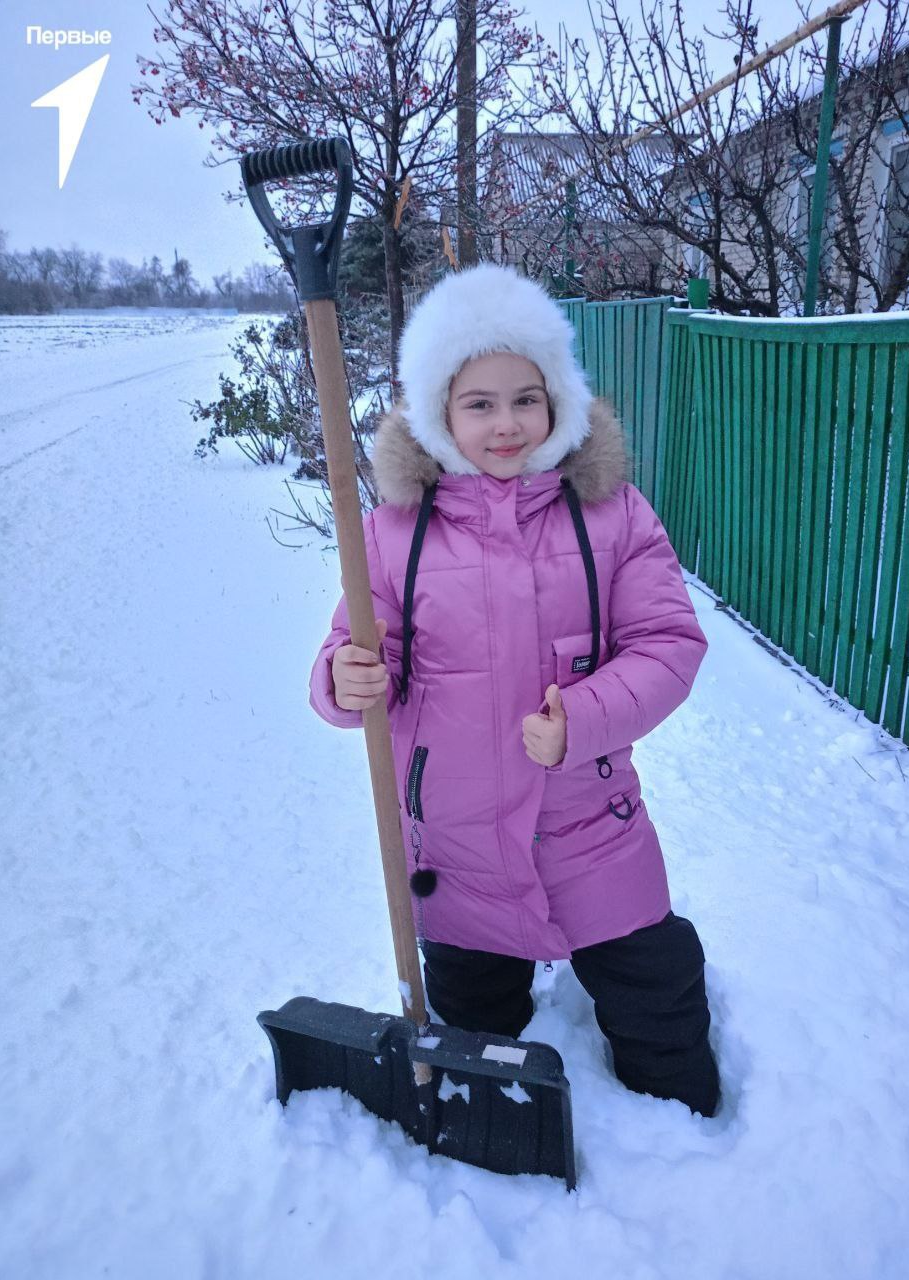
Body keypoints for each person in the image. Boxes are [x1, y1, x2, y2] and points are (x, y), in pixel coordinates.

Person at [308, 264, 721, 1118]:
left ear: (559, 399)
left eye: (525, 399)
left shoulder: (612, 514)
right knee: (472, 1024)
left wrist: (587, 716)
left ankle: (695, 1147)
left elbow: (669, 643)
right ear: (437, 415)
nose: (506, 424)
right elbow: (347, 659)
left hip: (591, 830)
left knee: (657, 996)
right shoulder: (392, 536)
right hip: (453, 847)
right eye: (479, 403)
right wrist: (347, 679)